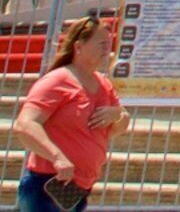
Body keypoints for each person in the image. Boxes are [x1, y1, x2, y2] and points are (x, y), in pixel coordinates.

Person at [15, 15, 126, 211]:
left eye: (109, 44)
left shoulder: (103, 84)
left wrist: (116, 114)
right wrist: (57, 157)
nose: (107, 49)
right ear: (79, 46)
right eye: (101, 43)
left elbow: (119, 125)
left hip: (76, 190)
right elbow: (24, 125)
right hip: (47, 186)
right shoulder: (57, 81)